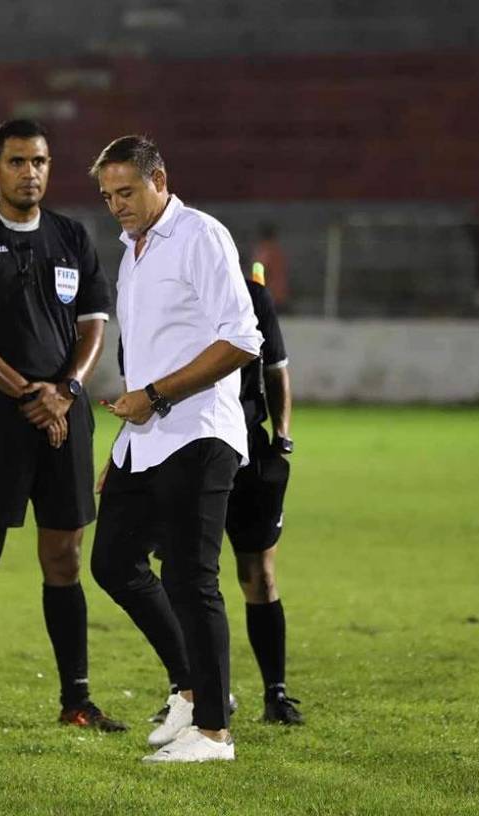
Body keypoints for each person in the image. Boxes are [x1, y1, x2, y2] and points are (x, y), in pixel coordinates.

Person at [0, 119, 123, 734]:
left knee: (64, 556)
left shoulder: (72, 235)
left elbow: (95, 325)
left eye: (38, 161)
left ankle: (77, 700)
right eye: (16, 162)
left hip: (65, 413)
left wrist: (64, 391)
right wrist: (26, 393)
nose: (29, 172)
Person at [88, 135, 263, 763]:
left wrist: (157, 394)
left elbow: (243, 339)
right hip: (147, 435)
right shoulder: (132, 252)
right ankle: (191, 687)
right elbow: (151, 355)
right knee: (113, 562)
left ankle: (214, 733)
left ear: (160, 177)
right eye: (108, 197)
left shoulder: (200, 235)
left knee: (192, 578)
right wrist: (126, 436)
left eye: (127, 192)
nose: (117, 206)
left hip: (198, 431)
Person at [143, 264, 303, 743]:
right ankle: (197, 690)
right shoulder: (163, 296)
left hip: (249, 453)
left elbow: (276, 369)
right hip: (188, 449)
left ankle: (275, 692)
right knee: (185, 574)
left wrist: (282, 438)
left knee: (258, 574)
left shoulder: (253, 298)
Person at [252, 222, 290, 310]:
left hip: (269, 297)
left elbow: (260, 273)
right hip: (281, 295)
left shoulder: (264, 251)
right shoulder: (279, 252)